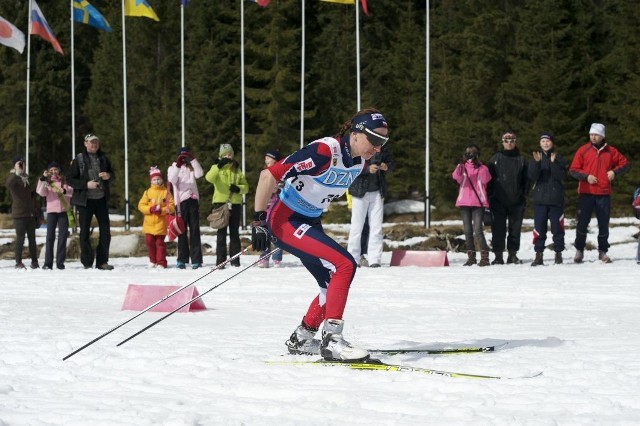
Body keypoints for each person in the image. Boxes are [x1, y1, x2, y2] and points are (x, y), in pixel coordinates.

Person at [251, 107, 389, 362]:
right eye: (375, 139)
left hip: (309, 222)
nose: (378, 148)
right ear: (356, 134)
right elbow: (267, 176)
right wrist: (258, 222)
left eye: (383, 141)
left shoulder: (359, 163)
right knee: (345, 264)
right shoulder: (325, 151)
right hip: (286, 221)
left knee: (331, 284)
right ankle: (332, 340)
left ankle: (303, 338)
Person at [569, 123, 629, 263]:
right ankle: (579, 250)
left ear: (602, 136)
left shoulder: (611, 151)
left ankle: (603, 251)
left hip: (603, 193)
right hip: (586, 193)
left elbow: (625, 163)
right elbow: (573, 170)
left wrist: (614, 172)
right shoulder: (583, 150)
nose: (593, 137)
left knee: (603, 224)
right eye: (591, 134)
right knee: (582, 223)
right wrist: (586, 177)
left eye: (596, 134)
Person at [66, 134, 115, 270]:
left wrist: (108, 175)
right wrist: (86, 185)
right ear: (85, 144)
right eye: (91, 143)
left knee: (106, 232)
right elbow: (69, 179)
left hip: (101, 200)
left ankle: (102, 262)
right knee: (84, 233)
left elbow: (112, 174)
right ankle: (87, 262)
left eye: (96, 143)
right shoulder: (78, 160)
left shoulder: (104, 158)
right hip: (85, 201)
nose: (94, 145)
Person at [346, 145, 394, 268]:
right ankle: (353, 258)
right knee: (357, 226)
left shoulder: (383, 148)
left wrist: (386, 166)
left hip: (378, 191)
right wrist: (367, 169)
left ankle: (375, 259)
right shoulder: (360, 146)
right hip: (359, 192)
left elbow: (392, 163)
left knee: (376, 227)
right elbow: (350, 166)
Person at [487, 130, 528, 264]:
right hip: (497, 201)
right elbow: (488, 180)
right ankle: (498, 256)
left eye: (511, 141)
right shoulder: (494, 159)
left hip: (516, 201)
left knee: (515, 229)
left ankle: (512, 254)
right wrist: (490, 196)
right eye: (506, 141)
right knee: (498, 229)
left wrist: (523, 196)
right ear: (502, 142)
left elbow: (526, 181)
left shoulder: (521, 160)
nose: (509, 143)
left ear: (515, 142)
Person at [205, 144, 249, 268]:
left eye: (230, 154)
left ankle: (235, 261)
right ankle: (220, 261)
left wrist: (238, 188)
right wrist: (218, 166)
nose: (228, 156)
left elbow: (246, 187)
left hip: (235, 204)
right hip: (220, 204)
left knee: (234, 233)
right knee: (221, 233)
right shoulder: (216, 168)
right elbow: (209, 178)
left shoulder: (237, 169)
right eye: (225, 154)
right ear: (221, 156)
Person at [528, 133, 567, 266]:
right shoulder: (535, 157)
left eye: (548, 141)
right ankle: (539, 255)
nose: (545, 143)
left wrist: (553, 163)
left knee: (557, 228)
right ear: (540, 143)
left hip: (556, 200)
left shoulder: (558, 157)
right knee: (539, 229)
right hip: (540, 200)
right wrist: (537, 163)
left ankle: (558, 253)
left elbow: (561, 175)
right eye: (543, 141)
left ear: (552, 143)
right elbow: (532, 176)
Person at [451, 144, 492, 267]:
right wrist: (460, 164)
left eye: (473, 152)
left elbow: (486, 179)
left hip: (478, 203)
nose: (470, 155)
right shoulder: (462, 167)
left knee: (478, 230)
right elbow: (456, 177)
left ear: (477, 154)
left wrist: (478, 164)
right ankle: (471, 257)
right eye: (468, 152)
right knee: (468, 231)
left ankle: (484, 257)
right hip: (464, 202)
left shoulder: (482, 168)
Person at [167, 146, 204, 269]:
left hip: (192, 200)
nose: (184, 159)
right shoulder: (172, 168)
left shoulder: (191, 168)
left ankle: (196, 259)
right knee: (181, 231)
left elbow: (200, 174)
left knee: (194, 230)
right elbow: (171, 179)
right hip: (181, 202)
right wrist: (178, 164)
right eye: (182, 156)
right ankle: (182, 259)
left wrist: (192, 159)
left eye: (185, 156)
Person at [36, 161, 74, 270]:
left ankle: (60, 262)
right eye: (51, 170)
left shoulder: (64, 180)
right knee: (50, 237)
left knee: (62, 237)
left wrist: (65, 190)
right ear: (48, 172)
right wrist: (42, 179)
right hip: (52, 211)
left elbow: (72, 191)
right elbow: (41, 192)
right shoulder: (47, 182)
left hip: (64, 211)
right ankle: (48, 263)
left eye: (55, 169)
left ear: (59, 170)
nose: (53, 172)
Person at [6, 156, 39, 269]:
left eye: (22, 164)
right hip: (19, 214)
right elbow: (9, 184)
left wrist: (38, 188)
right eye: (19, 164)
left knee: (32, 239)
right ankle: (18, 262)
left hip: (30, 214)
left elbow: (29, 196)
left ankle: (34, 261)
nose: (21, 166)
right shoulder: (13, 178)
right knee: (20, 238)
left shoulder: (26, 179)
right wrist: (17, 173)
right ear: (14, 165)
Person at [138, 166, 175, 268]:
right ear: (151, 181)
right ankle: (152, 260)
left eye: (158, 179)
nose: (157, 181)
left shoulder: (166, 192)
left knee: (160, 244)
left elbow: (171, 207)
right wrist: (150, 209)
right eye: (154, 179)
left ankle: (161, 262)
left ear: (162, 179)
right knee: (149, 242)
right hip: (149, 224)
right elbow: (141, 205)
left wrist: (162, 211)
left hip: (161, 224)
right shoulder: (147, 192)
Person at [258, 149, 284, 268]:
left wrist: (277, 187)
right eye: (266, 157)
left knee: (277, 233)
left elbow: (283, 188)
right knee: (264, 232)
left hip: (277, 207)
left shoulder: (282, 173)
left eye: (269, 157)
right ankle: (264, 257)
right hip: (266, 206)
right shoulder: (264, 172)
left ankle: (277, 257)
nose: (266, 159)